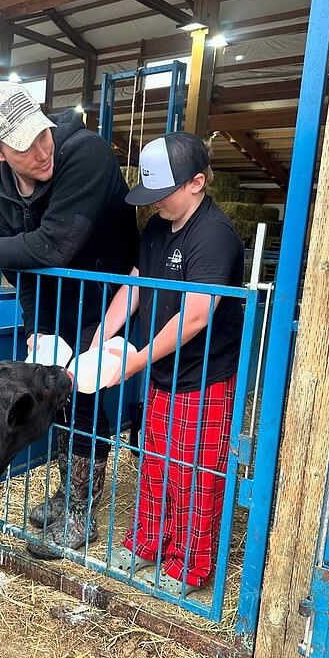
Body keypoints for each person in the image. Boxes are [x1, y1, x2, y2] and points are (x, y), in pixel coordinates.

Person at [0, 81, 139, 558]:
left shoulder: (86, 155)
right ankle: (67, 493)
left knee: (86, 397)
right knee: (55, 396)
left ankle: (82, 510)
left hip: (107, 300)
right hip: (54, 307)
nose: (42, 151)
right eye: (25, 146)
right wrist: (36, 324)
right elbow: (25, 271)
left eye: (43, 134)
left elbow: (55, 245)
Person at [93, 132, 244, 594]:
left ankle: (190, 565)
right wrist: (104, 335)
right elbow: (136, 284)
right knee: (156, 463)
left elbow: (197, 314)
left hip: (204, 376)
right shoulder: (158, 227)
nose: (154, 203)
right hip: (163, 372)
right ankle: (148, 541)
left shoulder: (215, 236)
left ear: (197, 183)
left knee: (195, 473)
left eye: (163, 193)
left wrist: (134, 361)